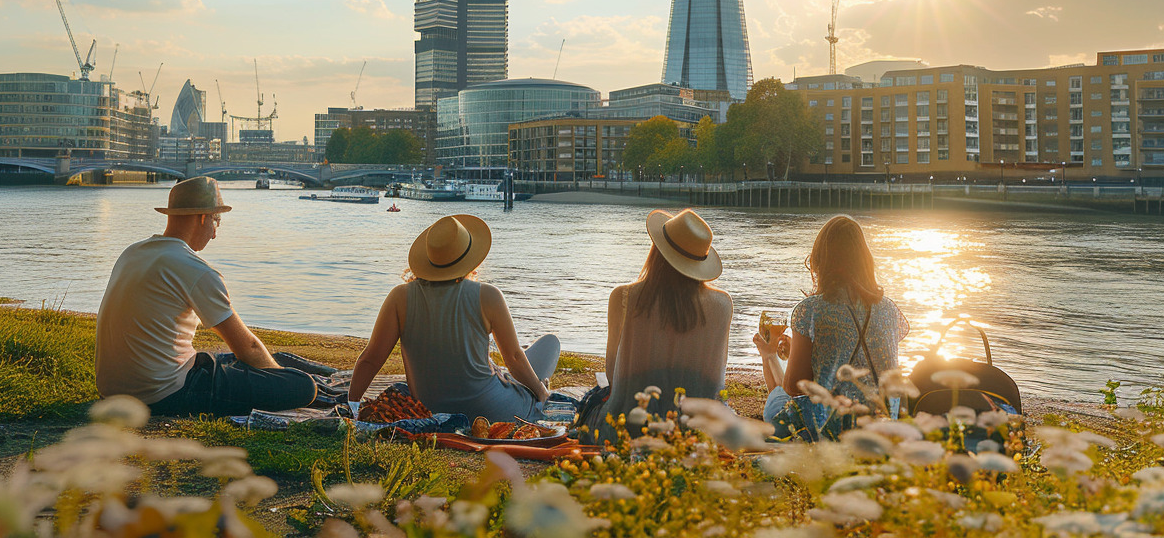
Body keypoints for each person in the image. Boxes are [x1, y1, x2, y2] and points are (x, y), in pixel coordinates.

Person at [95, 176, 320, 416]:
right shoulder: (195, 270)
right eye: (217, 221)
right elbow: (249, 347)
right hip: (164, 394)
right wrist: (275, 377)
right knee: (304, 386)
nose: (214, 234)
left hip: (112, 391)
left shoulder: (132, 253)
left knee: (270, 359)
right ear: (203, 217)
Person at [347, 214, 560, 422]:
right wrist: (541, 393)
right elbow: (514, 358)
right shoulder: (488, 295)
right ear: (470, 258)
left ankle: (517, 381)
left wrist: (353, 405)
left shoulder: (399, 297)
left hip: (429, 408)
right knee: (550, 345)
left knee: (507, 371)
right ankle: (538, 388)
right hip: (488, 409)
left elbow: (371, 358)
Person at [579, 208, 732, 443]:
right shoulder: (722, 304)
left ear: (656, 251)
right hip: (695, 433)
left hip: (629, 428)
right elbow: (713, 382)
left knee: (587, 400)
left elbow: (612, 375)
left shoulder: (623, 296)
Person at [755, 214, 909, 439]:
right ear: (865, 261)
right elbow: (867, 350)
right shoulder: (890, 309)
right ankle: (769, 357)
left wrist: (797, 355)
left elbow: (794, 387)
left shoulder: (810, 309)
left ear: (821, 260)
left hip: (830, 429)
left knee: (776, 400)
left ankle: (769, 360)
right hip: (883, 426)